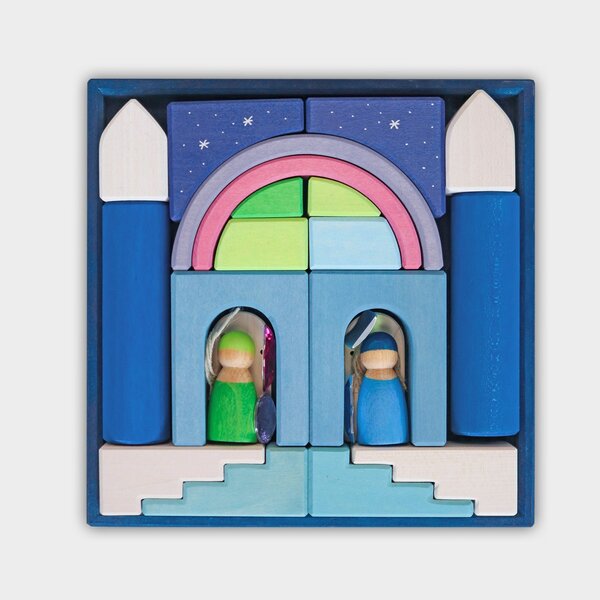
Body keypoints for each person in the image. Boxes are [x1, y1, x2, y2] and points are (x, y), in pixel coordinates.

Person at [354, 332, 409, 445]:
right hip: (374, 437)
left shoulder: (367, 383)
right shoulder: (392, 383)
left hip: (394, 435)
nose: (379, 356)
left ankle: (396, 435)